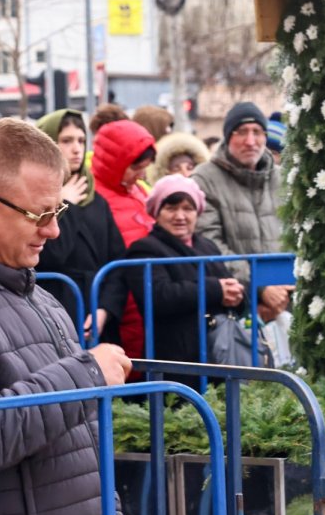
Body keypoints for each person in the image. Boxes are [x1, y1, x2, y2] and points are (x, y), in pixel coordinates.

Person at [0, 118, 136, 515]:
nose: (55, 231)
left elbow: (92, 449)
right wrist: (85, 373)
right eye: (40, 215)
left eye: (58, 210)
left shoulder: (45, 299)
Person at [123, 175, 247, 384]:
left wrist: (238, 296)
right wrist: (216, 290)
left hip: (217, 353)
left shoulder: (207, 246)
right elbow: (158, 296)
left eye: (188, 208)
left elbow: (228, 286)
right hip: (175, 360)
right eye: (171, 208)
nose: (180, 216)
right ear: (156, 212)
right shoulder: (144, 249)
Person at [33, 109, 128, 338]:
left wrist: (104, 310)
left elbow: (118, 263)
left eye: (81, 140)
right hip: (54, 315)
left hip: (97, 318)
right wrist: (65, 204)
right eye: (66, 141)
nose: (76, 149)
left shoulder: (96, 200)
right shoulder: (33, 198)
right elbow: (51, 255)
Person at [192, 102, 290, 323]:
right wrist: (259, 287)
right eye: (242, 132)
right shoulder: (205, 179)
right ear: (228, 137)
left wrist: (289, 285)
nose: (250, 141)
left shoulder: (283, 178)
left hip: (287, 299)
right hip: (235, 305)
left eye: (257, 132)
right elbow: (210, 243)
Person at [92, 118, 157, 358]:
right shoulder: (93, 197)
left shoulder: (140, 191)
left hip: (146, 293)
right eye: (135, 167)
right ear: (116, 163)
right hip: (119, 298)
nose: (140, 174)